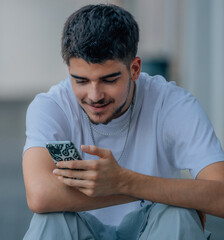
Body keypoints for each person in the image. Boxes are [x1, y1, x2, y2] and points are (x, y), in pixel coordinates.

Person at [22, 4, 224, 240]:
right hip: (82, 228)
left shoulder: (173, 104)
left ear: (135, 69)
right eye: (81, 81)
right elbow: (39, 195)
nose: (94, 95)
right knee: (49, 218)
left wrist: (125, 181)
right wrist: (141, 189)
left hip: (154, 230)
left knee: (178, 214)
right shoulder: (51, 106)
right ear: (69, 71)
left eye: (109, 80)